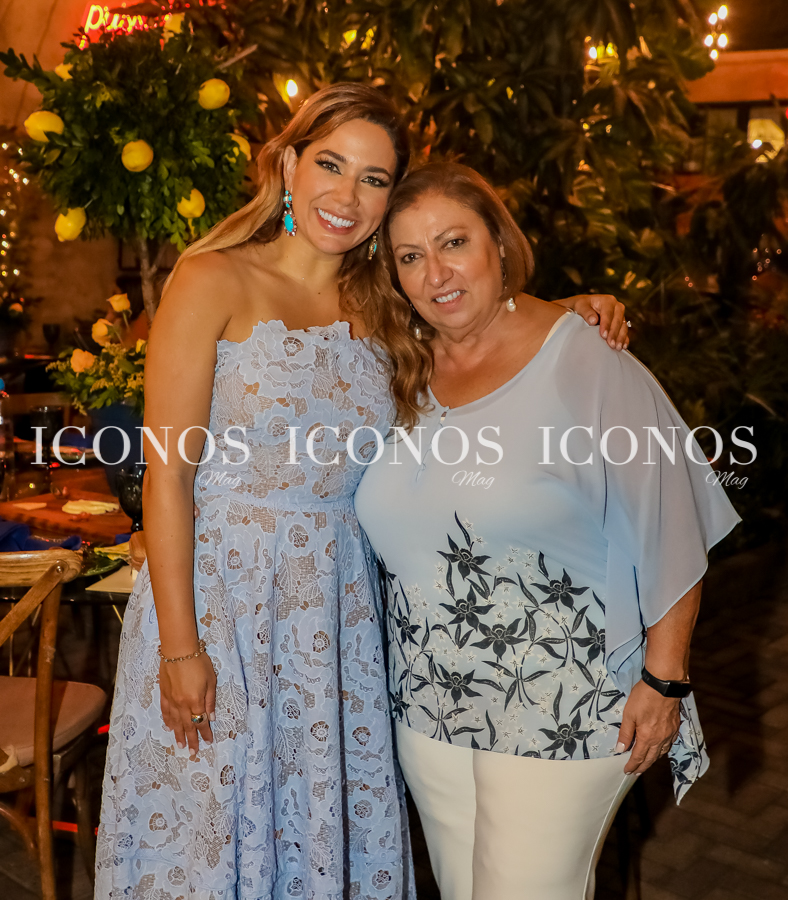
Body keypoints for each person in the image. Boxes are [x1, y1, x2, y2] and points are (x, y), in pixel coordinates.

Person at [96, 85, 627, 900]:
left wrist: (571, 311)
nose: (347, 195)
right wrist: (180, 647)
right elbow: (168, 472)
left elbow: (477, 319)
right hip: (221, 603)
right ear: (288, 165)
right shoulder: (211, 279)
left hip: (338, 614)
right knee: (209, 839)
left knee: (318, 840)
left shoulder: (384, 305)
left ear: (389, 200)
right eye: (331, 165)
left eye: (374, 179)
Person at [354, 162, 742, 900]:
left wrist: (665, 678)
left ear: (499, 244)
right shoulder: (400, 366)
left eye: (454, 242)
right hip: (430, 702)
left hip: (565, 700)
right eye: (410, 256)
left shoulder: (586, 359)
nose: (436, 272)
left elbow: (671, 520)